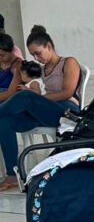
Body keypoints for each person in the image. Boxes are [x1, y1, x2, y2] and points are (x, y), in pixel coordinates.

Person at [0, 26, 83, 191]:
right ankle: (12, 175)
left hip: (66, 111)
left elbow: (67, 92)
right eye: (33, 55)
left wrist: (36, 98)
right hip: (45, 111)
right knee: (4, 120)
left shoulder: (69, 62)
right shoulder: (43, 69)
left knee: (25, 96)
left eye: (38, 53)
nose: (36, 58)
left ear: (49, 46)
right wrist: (35, 96)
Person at [0, 33, 24, 104]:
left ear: (11, 51)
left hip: (9, 102)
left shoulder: (18, 65)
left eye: (2, 55)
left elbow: (10, 93)